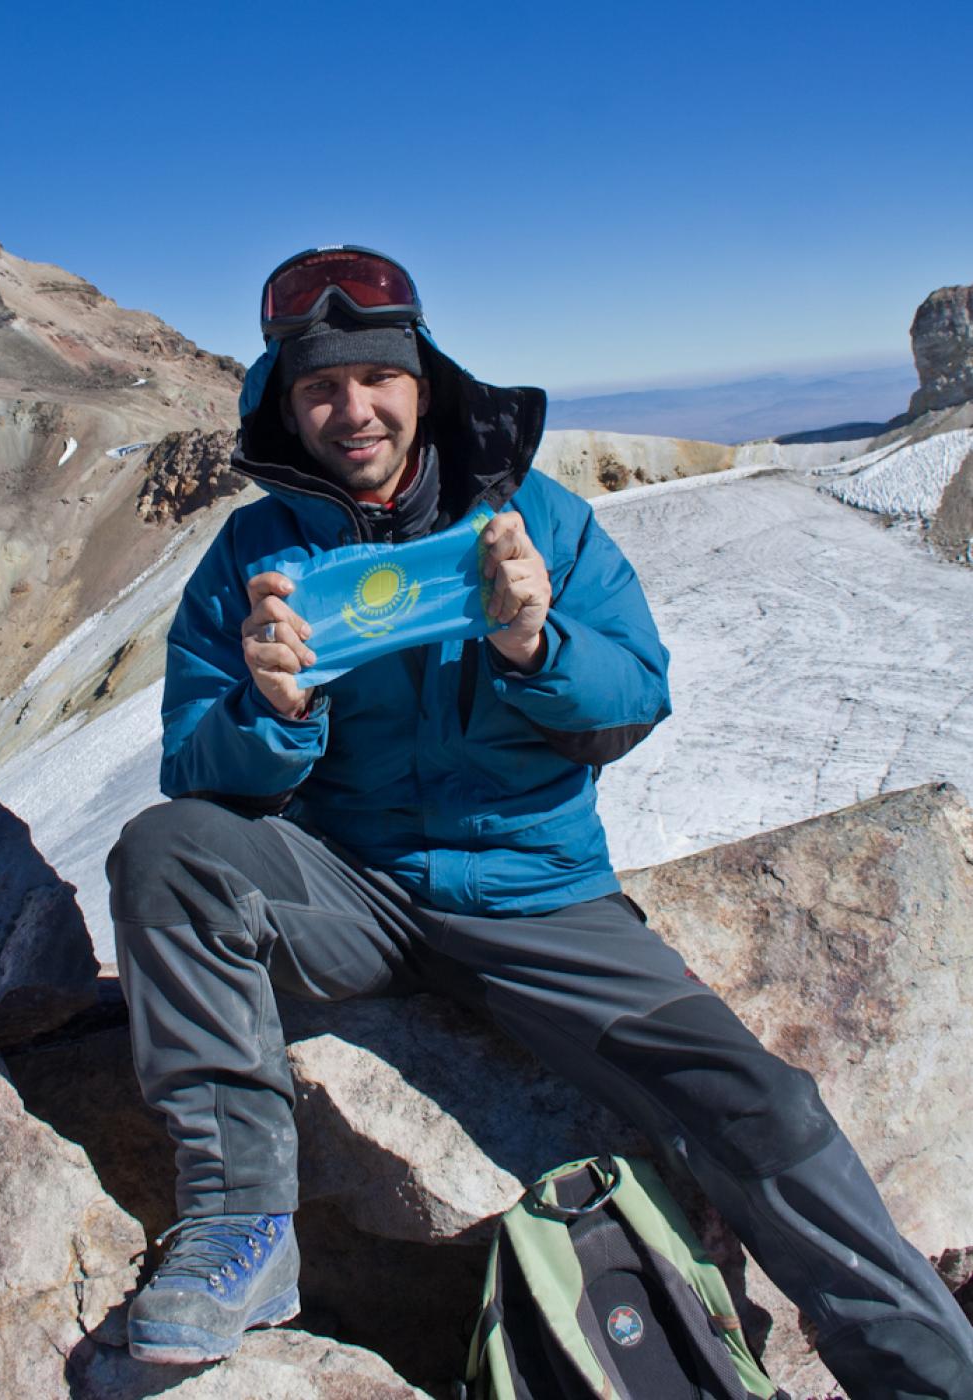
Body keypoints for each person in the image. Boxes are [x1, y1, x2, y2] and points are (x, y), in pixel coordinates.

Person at [106, 246, 973, 1396]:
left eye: (373, 377)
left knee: (758, 1101)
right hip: (349, 883)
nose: (349, 409)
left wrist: (532, 644)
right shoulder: (250, 558)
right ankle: (241, 1230)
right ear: (282, 400)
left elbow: (634, 691)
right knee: (168, 853)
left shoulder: (536, 519)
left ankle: (926, 1373)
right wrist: (272, 709)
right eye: (316, 387)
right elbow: (188, 762)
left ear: (419, 377)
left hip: (537, 895)